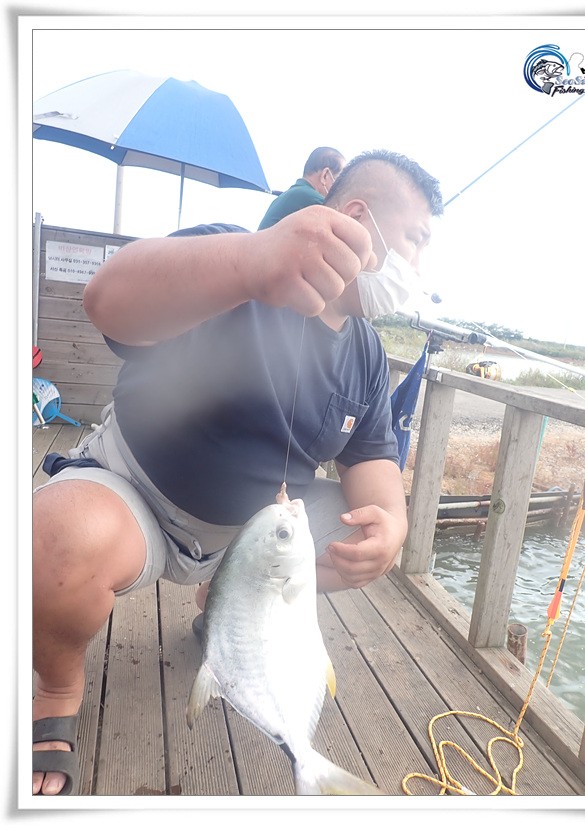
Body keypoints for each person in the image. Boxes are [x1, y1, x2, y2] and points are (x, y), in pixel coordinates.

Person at [32, 149, 443, 795]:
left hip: (255, 537)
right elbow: (107, 300)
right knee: (54, 537)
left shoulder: (366, 352)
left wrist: (391, 524)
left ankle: (219, 605)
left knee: (363, 535)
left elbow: (372, 460)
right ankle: (56, 689)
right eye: (416, 241)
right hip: (139, 496)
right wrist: (252, 263)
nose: (418, 267)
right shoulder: (241, 255)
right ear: (359, 216)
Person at [257, 146, 346, 229]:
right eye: (339, 182)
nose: (340, 190)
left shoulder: (295, 193)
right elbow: (346, 224)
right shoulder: (309, 198)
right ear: (325, 175)